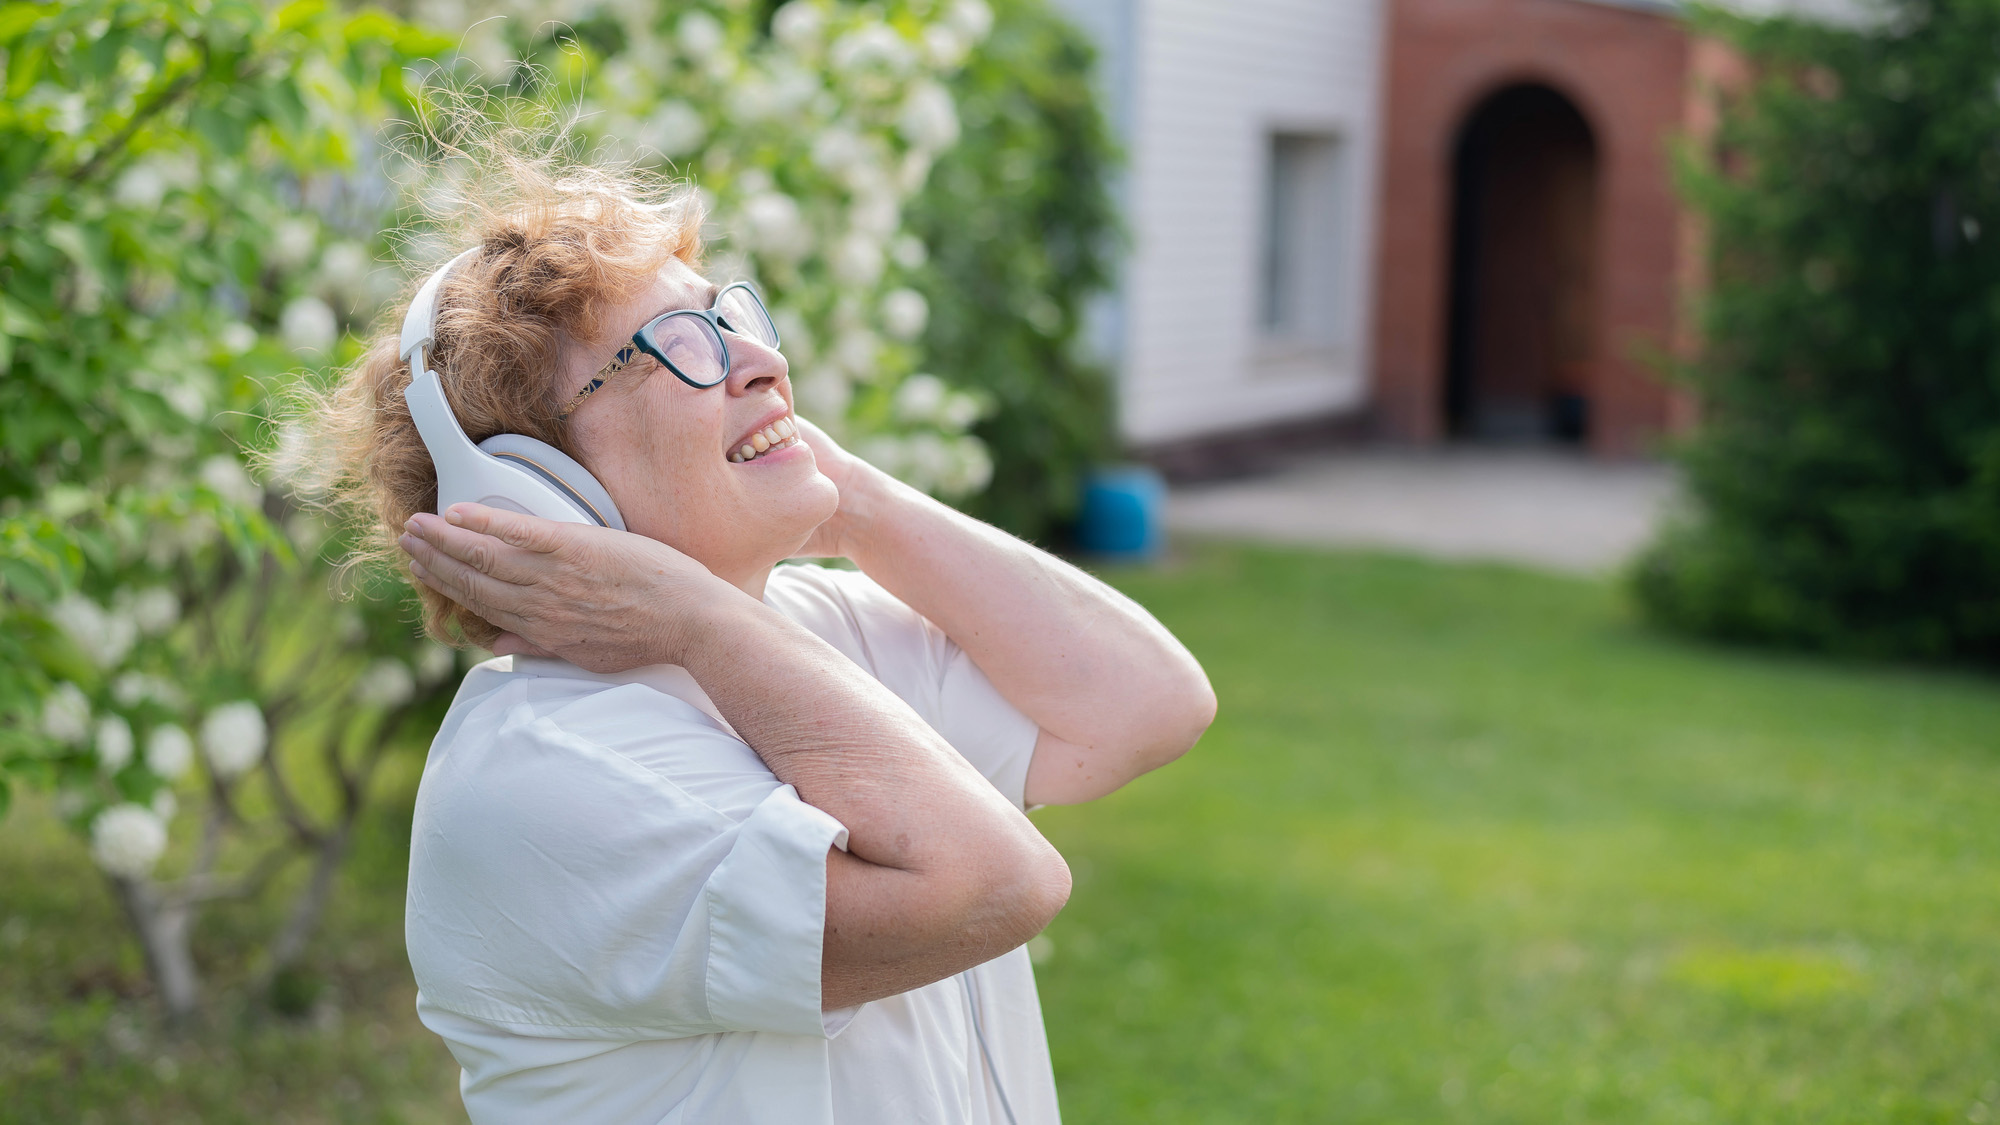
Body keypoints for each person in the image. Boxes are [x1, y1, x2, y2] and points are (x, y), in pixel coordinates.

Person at [307, 152, 1214, 1124]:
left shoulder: (794, 628)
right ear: (534, 489)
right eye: (681, 342)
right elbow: (994, 887)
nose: (763, 361)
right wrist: (696, 619)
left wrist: (848, 499)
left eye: (732, 316)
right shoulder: (537, 776)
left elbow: (1144, 707)